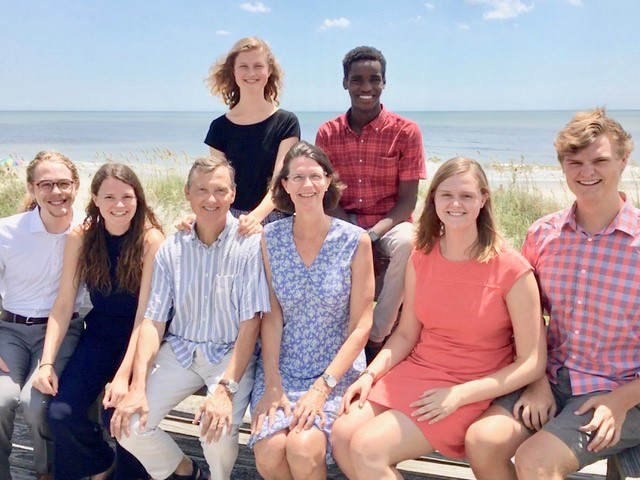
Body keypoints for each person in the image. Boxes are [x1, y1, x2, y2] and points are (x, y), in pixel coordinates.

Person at [331, 157, 547, 479]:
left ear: (483, 199)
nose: (455, 204)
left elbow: (532, 362)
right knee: (342, 433)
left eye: (467, 196)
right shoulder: (422, 255)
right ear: (433, 199)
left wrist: (460, 394)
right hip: (419, 370)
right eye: (446, 195)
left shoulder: (511, 268)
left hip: (470, 384)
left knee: (367, 448)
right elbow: (405, 335)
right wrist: (369, 375)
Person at [465, 108, 640, 480]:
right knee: (482, 441)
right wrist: (537, 379)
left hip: (622, 390)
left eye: (600, 161)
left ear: (625, 160)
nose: (586, 172)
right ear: (562, 166)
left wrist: (621, 401)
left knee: (536, 461)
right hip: (552, 378)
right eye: (574, 162)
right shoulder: (543, 234)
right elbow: (526, 318)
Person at [112, 156, 269, 480]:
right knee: (128, 426)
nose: (210, 199)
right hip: (180, 351)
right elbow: (154, 322)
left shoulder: (249, 244)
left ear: (233, 194)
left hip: (228, 355)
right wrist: (137, 386)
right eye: (201, 190)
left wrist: (225, 390)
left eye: (219, 190)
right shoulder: (172, 248)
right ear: (187, 193)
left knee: (217, 435)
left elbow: (250, 325)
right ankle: (186, 471)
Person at [249, 141, 374, 479]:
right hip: (282, 366)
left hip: (333, 369)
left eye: (315, 176)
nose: (307, 185)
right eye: (297, 178)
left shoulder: (354, 240)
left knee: (303, 447)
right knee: (270, 451)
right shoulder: (269, 238)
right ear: (285, 186)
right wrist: (272, 380)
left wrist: (322, 387)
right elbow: (272, 316)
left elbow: (362, 324)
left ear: (328, 181)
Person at [31, 163, 163, 480]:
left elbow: (145, 317)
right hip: (99, 333)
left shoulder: (150, 239)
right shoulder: (82, 237)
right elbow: (63, 304)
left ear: (138, 198)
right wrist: (46, 362)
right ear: (95, 199)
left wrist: (124, 376)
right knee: (61, 412)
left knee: (118, 415)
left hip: (142, 338)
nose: (119, 205)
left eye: (127, 197)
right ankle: (100, 464)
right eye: (110, 197)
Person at [315, 46, 426, 359]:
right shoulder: (328, 132)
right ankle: (331, 332)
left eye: (374, 79)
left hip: (391, 222)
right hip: (342, 219)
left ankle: (375, 336)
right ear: (345, 83)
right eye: (357, 80)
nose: (366, 87)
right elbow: (328, 194)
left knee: (409, 243)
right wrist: (353, 231)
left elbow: (407, 202)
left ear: (384, 82)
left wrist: (373, 234)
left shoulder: (406, 132)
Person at [0, 151, 84, 480]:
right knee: (2, 401)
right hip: (10, 330)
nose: (56, 192)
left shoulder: (88, 230)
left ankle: (46, 473)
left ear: (76, 186)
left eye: (63, 183)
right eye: (45, 184)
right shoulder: (7, 231)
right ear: (32, 188)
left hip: (64, 331)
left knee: (37, 405)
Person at [204, 36, 300, 233]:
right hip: (230, 220)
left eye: (258, 66)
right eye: (243, 66)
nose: (251, 73)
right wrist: (233, 222)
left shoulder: (287, 123)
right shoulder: (218, 127)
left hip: (276, 218)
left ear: (269, 70)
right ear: (233, 71)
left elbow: (280, 181)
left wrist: (255, 218)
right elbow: (221, 184)